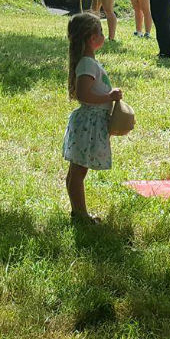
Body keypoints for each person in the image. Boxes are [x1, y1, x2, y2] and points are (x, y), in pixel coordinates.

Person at [63, 12, 122, 223]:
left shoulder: (88, 62)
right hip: (89, 123)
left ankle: (78, 212)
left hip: (91, 123)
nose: (103, 36)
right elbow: (84, 94)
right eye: (101, 32)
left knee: (77, 170)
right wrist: (109, 96)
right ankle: (80, 215)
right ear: (91, 38)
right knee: (79, 171)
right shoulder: (87, 64)